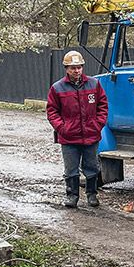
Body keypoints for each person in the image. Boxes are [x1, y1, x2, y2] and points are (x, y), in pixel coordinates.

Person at [46, 50, 109, 208]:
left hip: (91, 135)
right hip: (69, 138)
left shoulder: (94, 84)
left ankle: (92, 194)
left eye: (79, 67)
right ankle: (72, 196)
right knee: (71, 169)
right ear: (66, 68)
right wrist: (62, 128)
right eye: (73, 68)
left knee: (92, 167)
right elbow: (52, 111)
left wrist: (97, 124)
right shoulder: (57, 88)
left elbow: (103, 106)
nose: (77, 70)